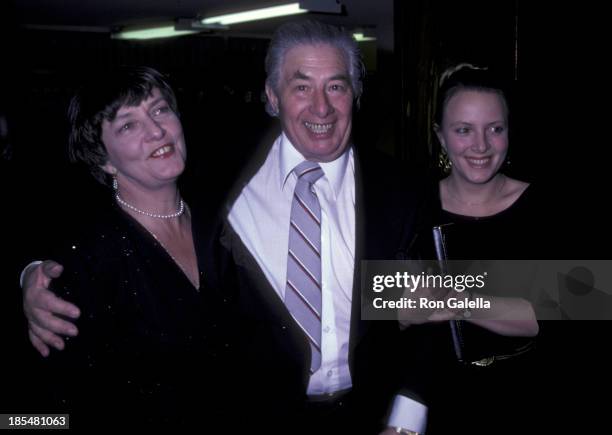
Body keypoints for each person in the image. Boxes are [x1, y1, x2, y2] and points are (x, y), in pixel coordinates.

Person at [22, 21, 433, 434]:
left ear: (356, 94)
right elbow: (53, 206)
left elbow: (439, 302)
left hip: (371, 416)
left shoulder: (402, 190)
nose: (321, 108)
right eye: (302, 86)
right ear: (272, 96)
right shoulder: (222, 171)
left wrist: (408, 418)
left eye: (337, 86)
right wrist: (31, 275)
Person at [23, 66, 234, 429]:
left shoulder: (225, 222)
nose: (156, 130)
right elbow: (51, 410)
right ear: (104, 160)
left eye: (160, 109)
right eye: (127, 125)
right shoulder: (87, 259)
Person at [408, 64, 542, 434]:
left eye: (494, 129)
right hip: (438, 403)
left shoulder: (543, 206)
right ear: (440, 136)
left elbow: (569, 305)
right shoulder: (411, 208)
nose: (480, 145)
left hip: (532, 398)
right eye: (464, 130)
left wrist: (453, 300)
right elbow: (386, 303)